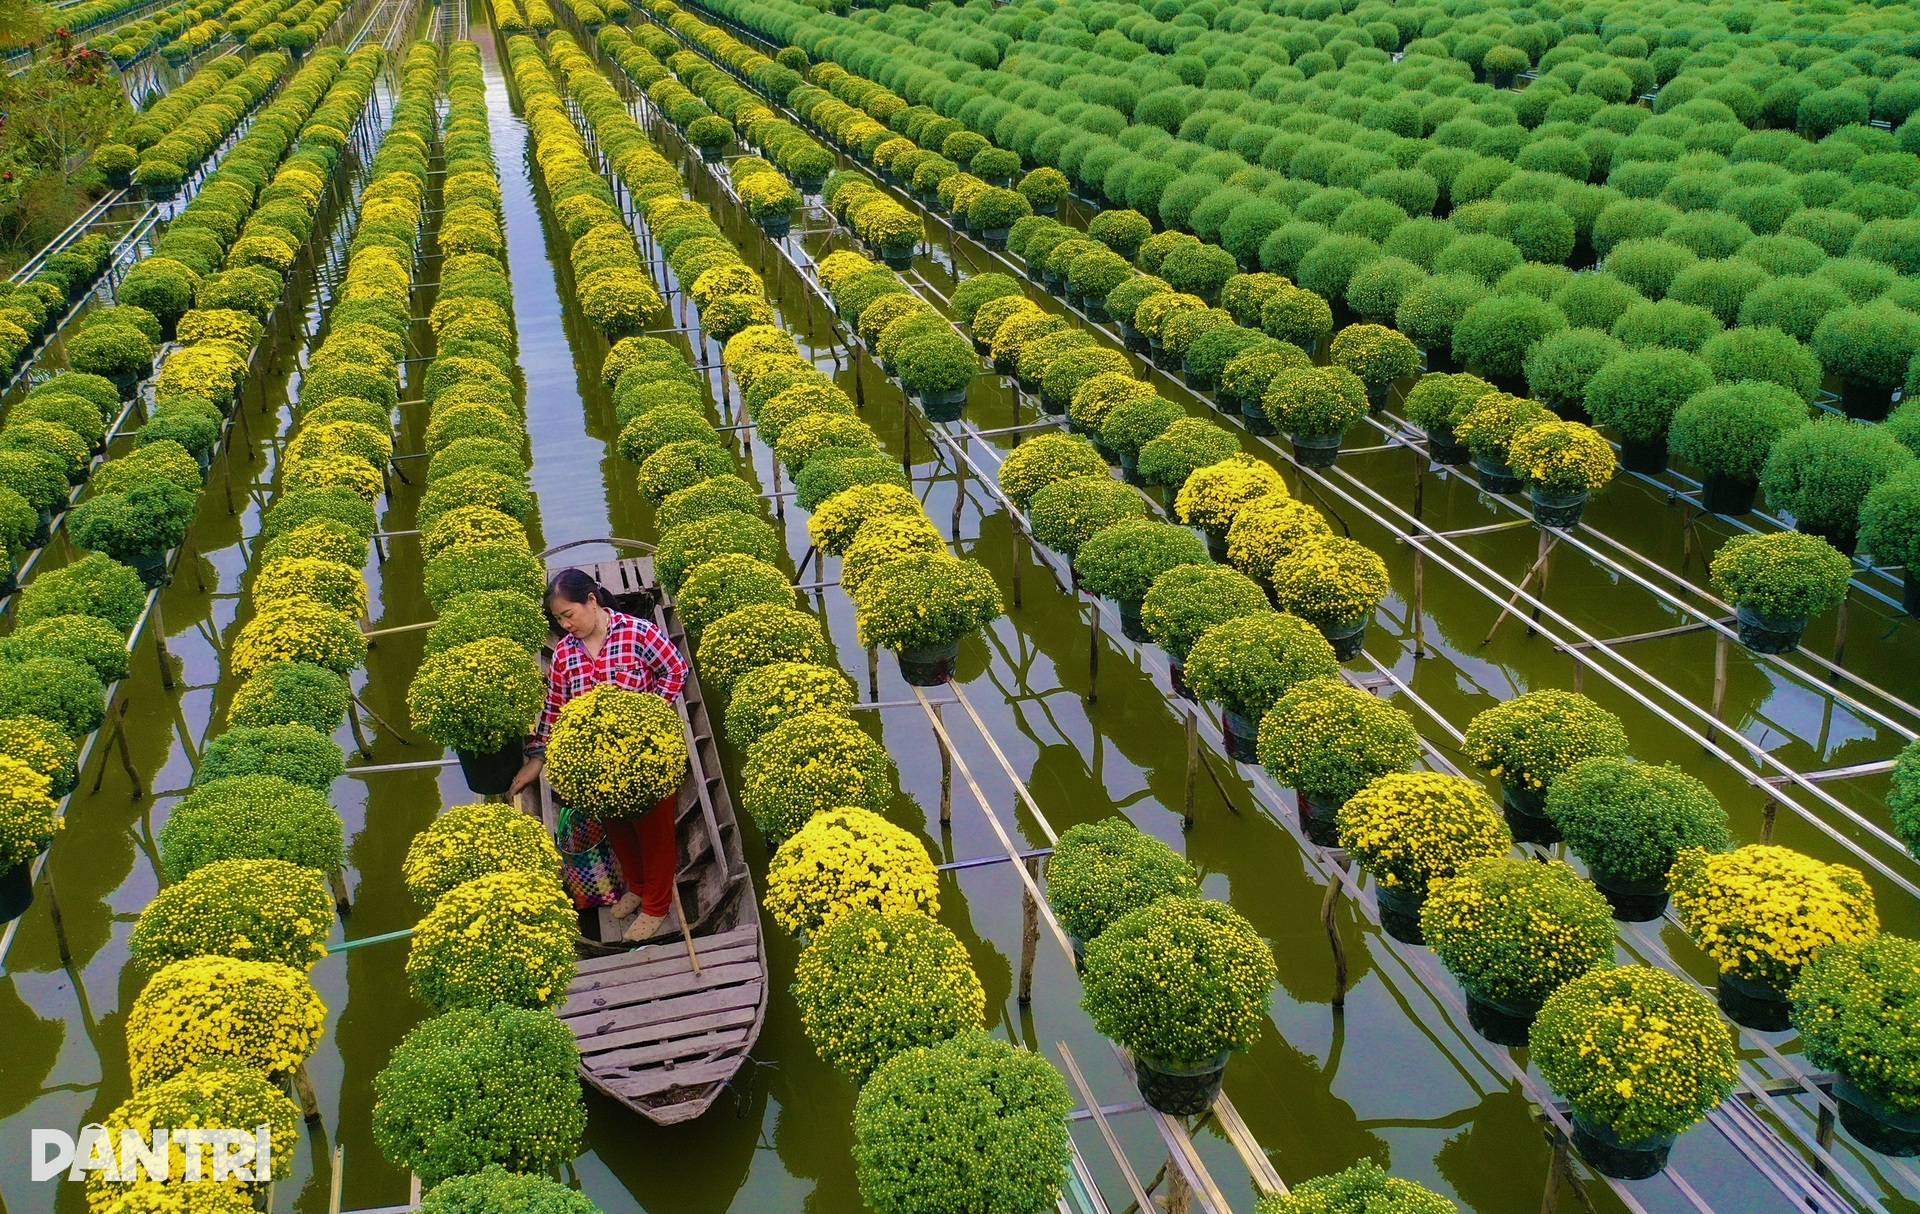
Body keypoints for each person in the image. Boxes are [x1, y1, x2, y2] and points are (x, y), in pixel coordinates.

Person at [512, 568, 689, 943]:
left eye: (568, 614)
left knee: (654, 832)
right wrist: (536, 760)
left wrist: (648, 717)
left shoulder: (637, 633)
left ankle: (657, 905)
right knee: (618, 829)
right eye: (558, 619)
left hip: (646, 757)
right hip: (597, 767)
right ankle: (637, 887)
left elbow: (675, 670)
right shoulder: (563, 654)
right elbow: (556, 708)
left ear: (591, 600)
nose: (564, 624)